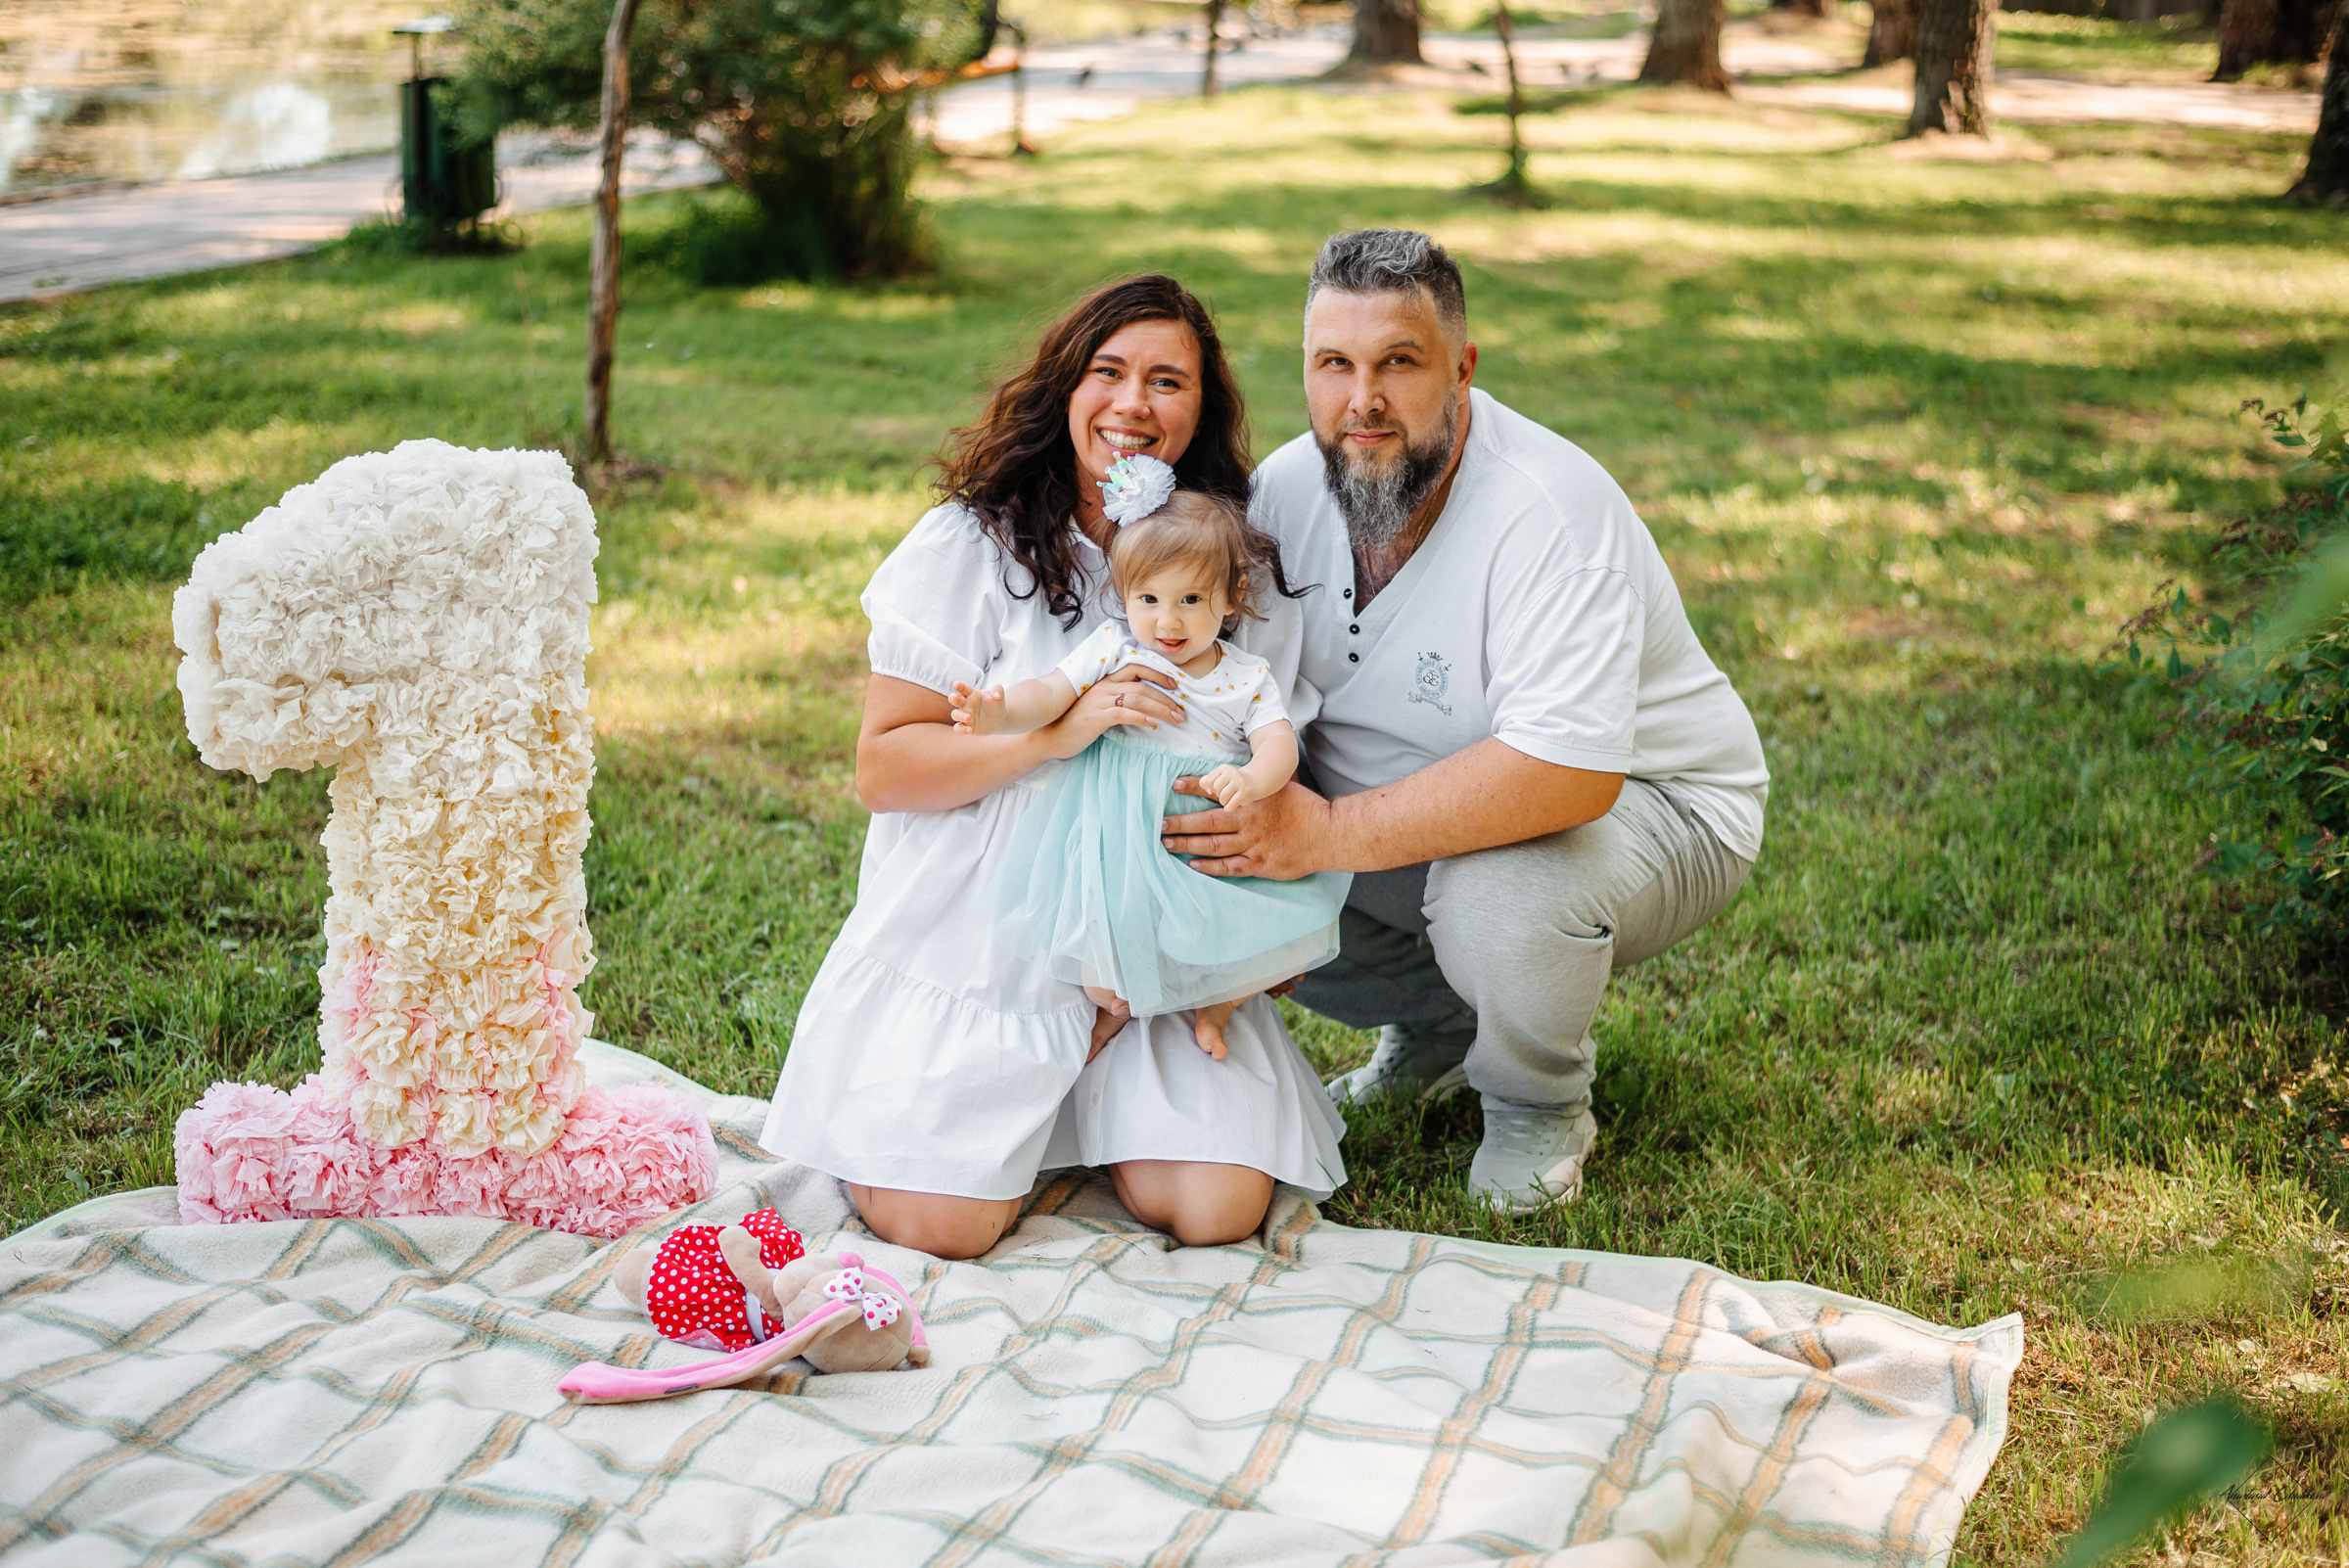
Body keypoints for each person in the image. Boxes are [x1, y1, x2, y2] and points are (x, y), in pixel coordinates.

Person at [1161, 229, 1768, 1214]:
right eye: (1335, 366)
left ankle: (1538, 1103)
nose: (1364, 402)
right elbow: (1235, 704)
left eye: (1399, 363)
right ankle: (1440, 1027)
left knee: (1502, 886)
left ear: (1462, 369)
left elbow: (1566, 777)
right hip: (1407, 811)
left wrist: (1325, 833)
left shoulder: (1551, 514)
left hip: (1658, 809)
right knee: (1206, 827)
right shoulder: (1278, 494)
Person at [758, 275, 1346, 1260]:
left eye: (1168, 381)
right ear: (1065, 388)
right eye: (1107, 372)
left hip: (1154, 939)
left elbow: (1263, 761)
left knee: (1218, 1210)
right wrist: (1050, 738)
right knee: (940, 1225)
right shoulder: (972, 545)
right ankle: (970, 1118)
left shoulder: (1228, 566)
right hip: (986, 935)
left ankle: (1098, 1108)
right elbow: (884, 767)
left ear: (1201, 409)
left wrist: (1233, 958)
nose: (1133, 404)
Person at [959, 468, 1350, 1062]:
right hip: (1118, 825)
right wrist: (999, 712)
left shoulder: (1244, 676)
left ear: (1229, 597)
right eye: (1149, 600)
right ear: (1125, 596)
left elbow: (1278, 745)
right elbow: (1050, 692)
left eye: (1190, 601)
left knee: (1222, 939)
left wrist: (1249, 778)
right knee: (1107, 957)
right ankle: (1118, 1006)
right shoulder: (1117, 646)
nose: (1168, 623)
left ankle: (1215, 1005)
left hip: (1198, 826)